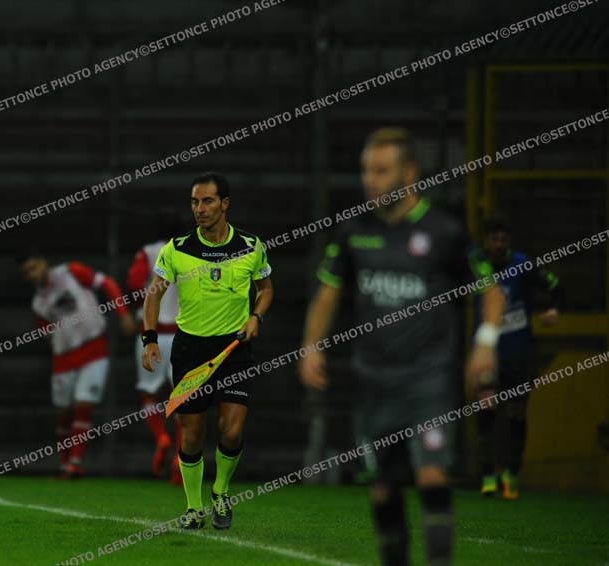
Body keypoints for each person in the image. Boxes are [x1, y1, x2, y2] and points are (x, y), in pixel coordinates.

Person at [298, 128, 505, 566]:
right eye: (366, 170)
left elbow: (490, 291)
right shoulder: (353, 233)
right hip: (373, 382)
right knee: (383, 487)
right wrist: (311, 346)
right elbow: (327, 295)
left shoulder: (444, 232)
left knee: (431, 474)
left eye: (381, 171)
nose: (370, 180)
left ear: (409, 173)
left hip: (428, 379)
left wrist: (485, 343)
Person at [141, 172, 274, 530]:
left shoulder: (251, 245)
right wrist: (149, 338)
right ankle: (192, 507)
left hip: (234, 349)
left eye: (207, 201)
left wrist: (256, 316)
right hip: (190, 351)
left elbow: (266, 288)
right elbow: (154, 292)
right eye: (195, 202)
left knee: (231, 430)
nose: (199, 209)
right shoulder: (178, 248)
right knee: (191, 433)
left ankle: (221, 491)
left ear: (225, 203)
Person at [19, 253, 136, 478]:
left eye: (33, 267)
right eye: (27, 272)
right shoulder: (38, 304)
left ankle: (75, 463)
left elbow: (107, 283)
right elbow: (47, 334)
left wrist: (123, 314)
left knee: (84, 405)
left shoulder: (71, 272)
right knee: (63, 413)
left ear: (44, 262)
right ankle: (64, 465)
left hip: (94, 348)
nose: (32, 274)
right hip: (63, 359)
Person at [475, 212, 561, 499]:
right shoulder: (476, 265)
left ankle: (511, 474)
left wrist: (553, 309)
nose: (499, 244)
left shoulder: (522, 264)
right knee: (486, 405)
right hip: (488, 351)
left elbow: (555, 285)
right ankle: (488, 475)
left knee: (517, 411)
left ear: (508, 240)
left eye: (503, 239)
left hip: (518, 351)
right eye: (494, 239)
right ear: (486, 240)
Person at [127, 225, 184, 484]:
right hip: (182, 334)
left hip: (152, 333)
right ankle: (179, 460)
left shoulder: (148, 253)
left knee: (148, 393)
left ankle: (161, 437)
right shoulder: (190, 252)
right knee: (182, 398)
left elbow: (134, 284)